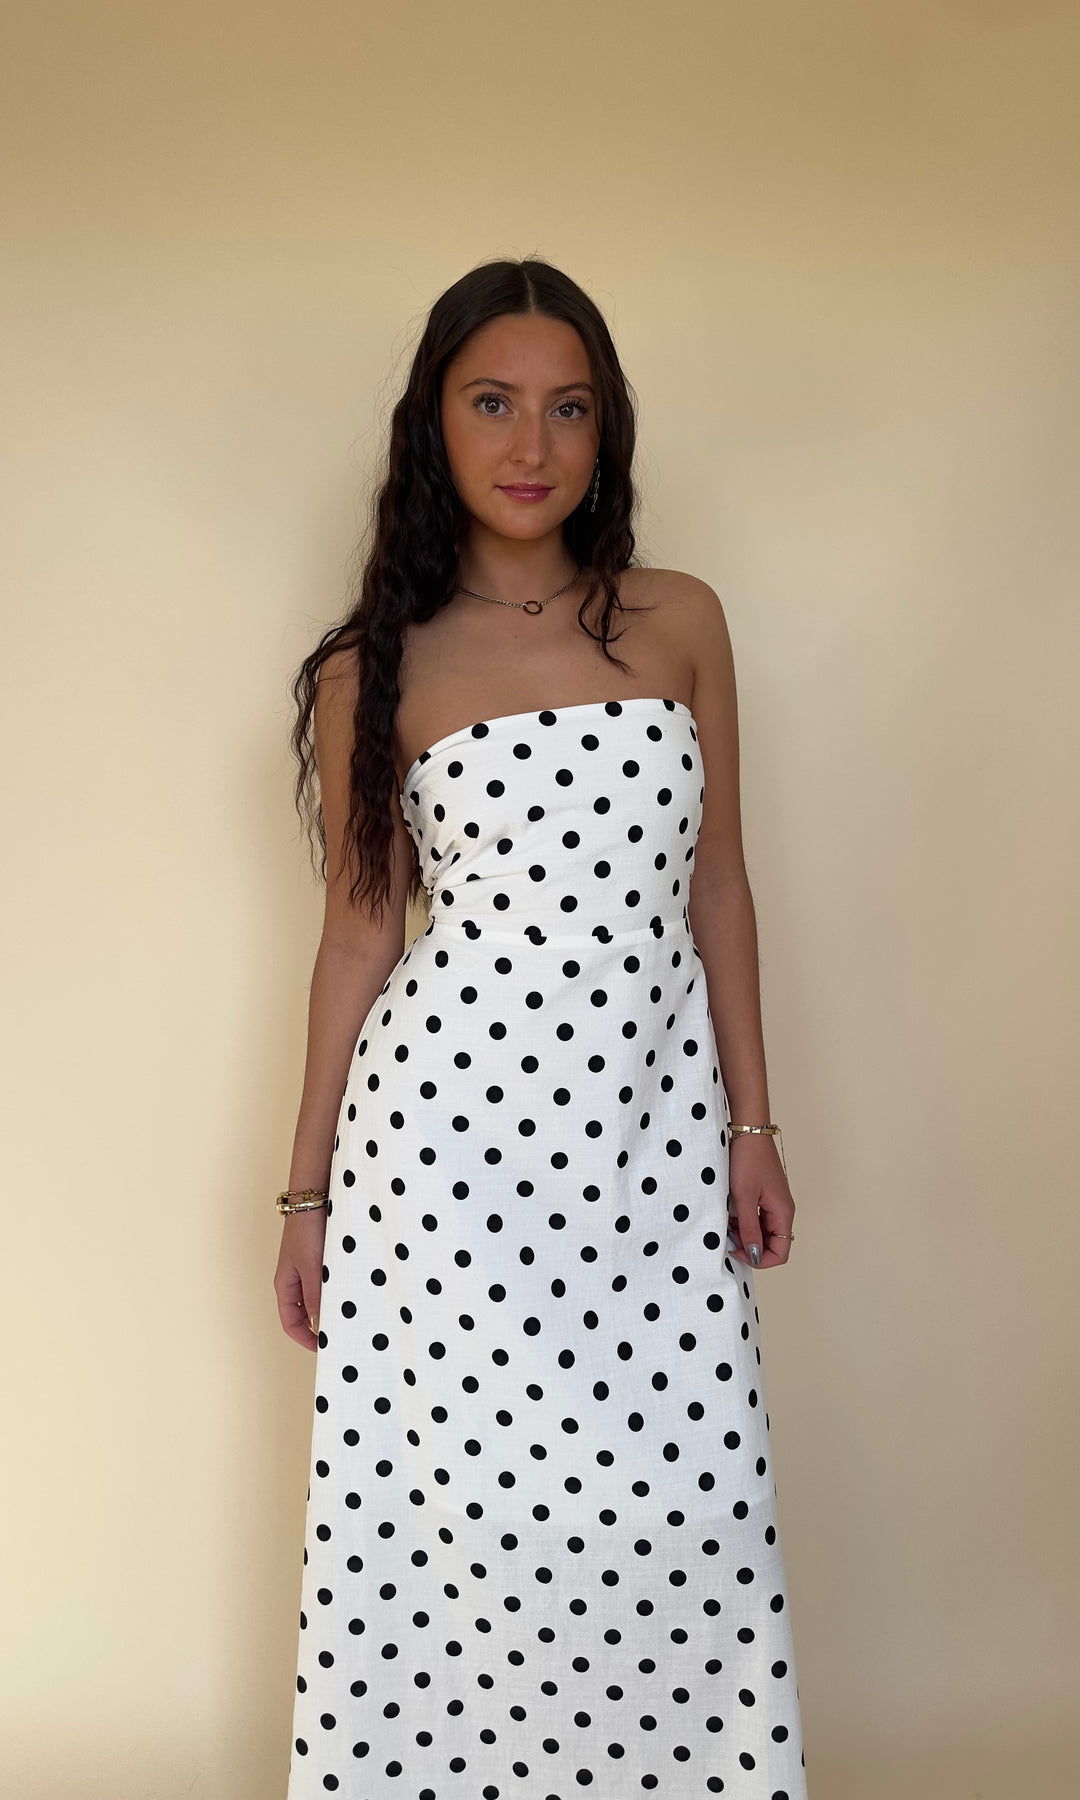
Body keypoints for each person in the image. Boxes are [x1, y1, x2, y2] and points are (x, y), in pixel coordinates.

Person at [276, 256, 808, 1799]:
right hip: (446, 1163)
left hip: (651, 1148)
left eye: (567, 408)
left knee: (678, 1508)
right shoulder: (377, 667)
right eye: (492, 403)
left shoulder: (680, 621)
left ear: (605, 429)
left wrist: (754, 1126)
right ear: (432, 424)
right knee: (465, 1528)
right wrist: (306, 1198)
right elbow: (360, 936)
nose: (530, 444)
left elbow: (719, 884)